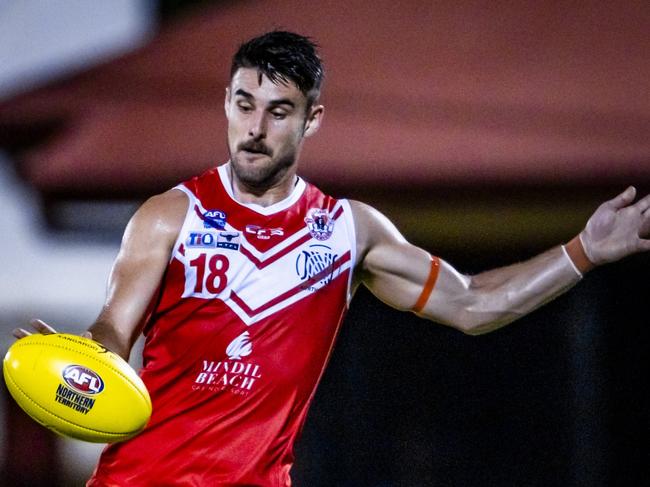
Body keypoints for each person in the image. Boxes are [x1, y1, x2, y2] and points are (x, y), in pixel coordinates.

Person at [14, 30, 650, 486]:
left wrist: (584, 250)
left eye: (278, 110)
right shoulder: (170, 215)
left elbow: (473, 303)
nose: (255, 128)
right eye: (243, 104)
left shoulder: (350, 232)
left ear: (312, 119)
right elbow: (112, 331)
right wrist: (79, 360)